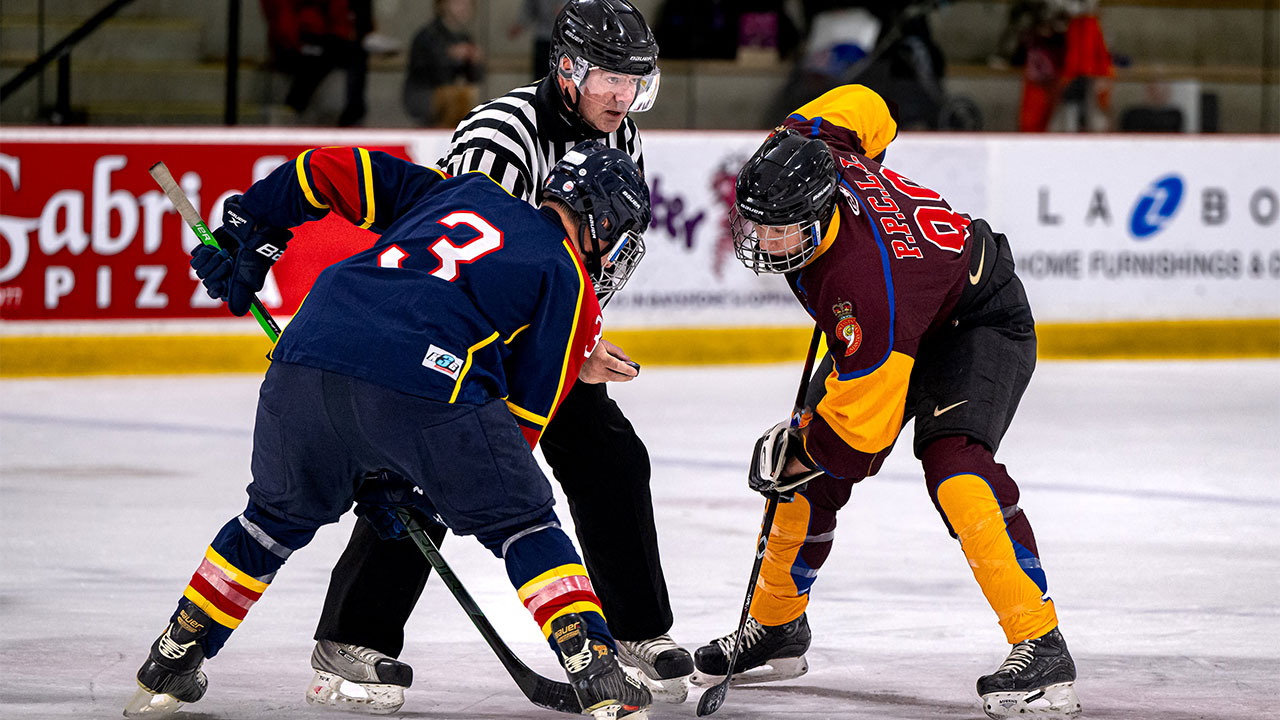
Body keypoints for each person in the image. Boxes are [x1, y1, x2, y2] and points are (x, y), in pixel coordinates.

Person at [123, 140, 654, 720]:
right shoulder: (570, 281)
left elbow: (322, 170)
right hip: (424, 383)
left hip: (305, 352)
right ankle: (595, 664)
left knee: (270, 520)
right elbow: (520, 423)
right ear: (604, 223)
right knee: (523, 521)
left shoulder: (462, 190)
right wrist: (430, 483)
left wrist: (252, 224)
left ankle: (174, 655)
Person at [305, 0, 693, 713]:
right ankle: (350, 638)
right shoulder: (500, 135)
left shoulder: (622, 134)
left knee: (609, 454)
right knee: (435, 470)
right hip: (452, 340)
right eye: (610, 77)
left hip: (539, 338)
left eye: (634, 80)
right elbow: (462, 265)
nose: (623, 94)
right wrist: (561, 346)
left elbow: (595, 259)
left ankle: (636, 630)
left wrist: (576, 343)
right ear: (568, 69)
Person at [691, 83, 1082, 720]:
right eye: (756, 223)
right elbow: (866, 104)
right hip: (910, 305)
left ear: (819, 216)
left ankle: (1042, 646)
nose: (763, 240)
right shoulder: (805, 147)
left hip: (975, 320)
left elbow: (858, 443)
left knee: (955, 470)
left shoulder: (863, 288)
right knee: (805, 465)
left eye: (781, 230)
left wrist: (802, 451)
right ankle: (777, 624)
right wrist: (818, 138)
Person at [403, 0, 485, 128]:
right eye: (458, 3)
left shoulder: (465, 38)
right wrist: (449, 56)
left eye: (468, 3)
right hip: (425, 96)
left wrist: (475, 62)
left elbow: (474, 78)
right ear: (443, 5)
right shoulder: (428, 35)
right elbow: (423, 72)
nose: (464, 7)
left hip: (456, 99)